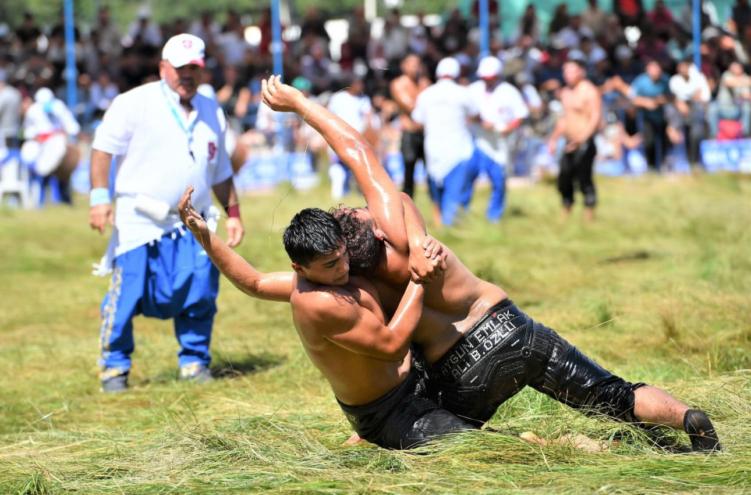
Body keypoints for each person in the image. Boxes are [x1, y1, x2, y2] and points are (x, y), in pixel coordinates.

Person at [257, 77, 721, 453]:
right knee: (613, 393)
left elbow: (277, 289)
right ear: (375, 230)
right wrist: (300, 102)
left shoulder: (357, 287)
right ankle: (685, 417)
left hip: (459, 371)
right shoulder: (400, 233)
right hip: (513, 328)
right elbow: (357, 149)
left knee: (429, 421)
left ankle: (560, 447)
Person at [177, 75, 474, 449]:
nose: (343, 268)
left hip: (414, 380)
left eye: (341, 256)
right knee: (475, 446)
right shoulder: (311, 296)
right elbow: (252, 283)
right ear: (300, 269)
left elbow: (388, 187)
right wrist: (419, 279)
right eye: (330, 266)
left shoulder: (343, 261)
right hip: (386, 408)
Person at [88, 33, 245, 392]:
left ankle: (194, 361)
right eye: (179, 68)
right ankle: (114, 367)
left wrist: (233, 212)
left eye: (194, 68)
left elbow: (219, 170)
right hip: (139, 220)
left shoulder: (211, 109)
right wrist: (100, 198)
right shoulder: (133, 103)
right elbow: (102, 150)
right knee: (126, 295)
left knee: (200, 292)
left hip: (196, 220)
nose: (187, 75)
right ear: (163, 68)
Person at [412, 57, 479, 226]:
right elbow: (476, 114)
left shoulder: (426, 94)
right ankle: (451, 230)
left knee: (438, 194)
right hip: (459, 149)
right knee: (455, 196)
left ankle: (442, 227)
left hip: (433, 149)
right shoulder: (463, 93)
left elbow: (417, 120)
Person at [466, 56, 529, 223]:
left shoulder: (509, 91)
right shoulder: (473, 90)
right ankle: (461, 213)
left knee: (499, 180)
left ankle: (494, 216)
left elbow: (521, 115)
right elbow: (466, 113)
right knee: (467, 177)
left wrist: (508, 128)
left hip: (500, 143)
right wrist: (479, 121)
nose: (487, 81)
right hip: (477, 140)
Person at [548, 59, 602, 222]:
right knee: (564, 177)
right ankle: (567, 206)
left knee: (584, 178)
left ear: (581, 72)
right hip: (568, 142)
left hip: (584, 142)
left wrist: (582, 138)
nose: (567, 75)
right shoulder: (565, 92)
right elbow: (564, 119)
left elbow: (595, 117)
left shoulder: (589, 91)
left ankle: (589, 212)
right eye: (565, 71)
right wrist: (553, 139)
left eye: (571, 71)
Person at [20, 87, 81, 202]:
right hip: (40, 146)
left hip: (58, 143)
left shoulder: (59, 107)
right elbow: (28, 130)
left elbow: (72, 126)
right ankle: (40, 199)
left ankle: (65, 199)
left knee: (62, 175)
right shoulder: (33, 110)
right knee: (41, 170)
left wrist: (65, 134)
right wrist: (36, 137)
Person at [390, 54, 430, 198]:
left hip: (425, 132)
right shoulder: (398, 84)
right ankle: (408, 206)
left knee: (431, 170)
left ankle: (437, 208)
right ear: (404, 66)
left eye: (418, 64)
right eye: (412, 65)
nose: (416, 68)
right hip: (409, 132)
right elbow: (410, 107)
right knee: (409, 170)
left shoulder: (425, 82)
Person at [326, 76, 373, 199]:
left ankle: (359, 193)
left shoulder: (364, 99)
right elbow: (329, 116)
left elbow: (368, 118)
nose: (361, 86)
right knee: (337, 165)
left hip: (358, 139)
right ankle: (337, 194)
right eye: (358, 83)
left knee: (358, 167)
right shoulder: (337, 98)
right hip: (338, 136)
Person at [630, 60, 671, 171]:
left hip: (663, 117)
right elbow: (632, 98)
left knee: (665, 140)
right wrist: (646, 102)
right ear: (648, 69)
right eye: (653, 69)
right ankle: (651, 166)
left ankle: (663, 164)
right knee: (649, 141)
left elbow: (671, 97)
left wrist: (658, 101)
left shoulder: (665, 80)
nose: (656, 71)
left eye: (658, 69)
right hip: (646, 117)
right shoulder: (640, 81)